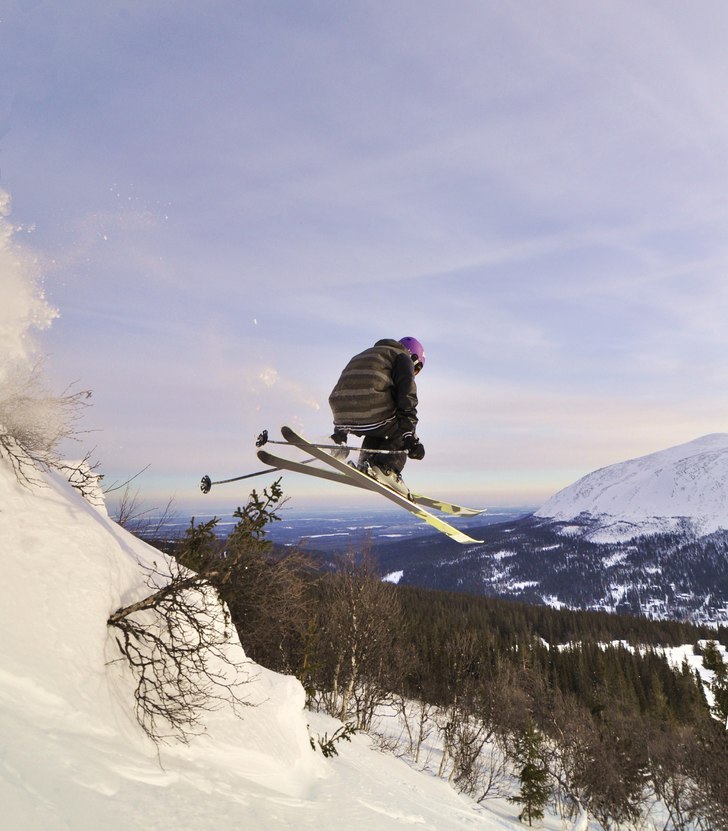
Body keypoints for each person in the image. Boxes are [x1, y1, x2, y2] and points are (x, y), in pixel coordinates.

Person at [328, 337, 426, 497]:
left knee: (381, 425)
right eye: (416, 369)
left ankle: (367, 462)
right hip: (371, 411)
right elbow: (407, 398)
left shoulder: (365, 355)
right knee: (401, 422)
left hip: (341, 415)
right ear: (414, 358)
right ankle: (387, 469)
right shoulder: (402, 358)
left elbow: (349, 388)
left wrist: (340, 435)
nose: (414, 374)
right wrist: (410, 438)